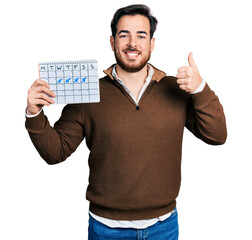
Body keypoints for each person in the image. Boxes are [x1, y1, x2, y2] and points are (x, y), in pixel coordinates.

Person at [25, 4, 227, 240]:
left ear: (152, 43)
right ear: (112, 42)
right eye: (124, 35)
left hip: (164, 227)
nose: (133, 43)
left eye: (141, 35)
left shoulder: (177, 88)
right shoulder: (88, 93)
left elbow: (217, 135)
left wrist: (200, 89)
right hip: (105, 230)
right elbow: (55, 152)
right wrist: (34, 112)